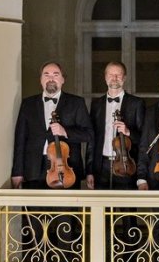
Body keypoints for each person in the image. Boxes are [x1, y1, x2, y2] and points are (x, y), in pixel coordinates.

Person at [11, 61, 93, 189]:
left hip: (66, 169)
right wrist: (17, 172)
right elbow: (20, 140)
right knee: (35, 203)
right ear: (41, 80)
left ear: (63, 79)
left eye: (55, 75)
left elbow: (89, 135)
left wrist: (65, 132)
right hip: (33, 170)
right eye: (46, 75)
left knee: (66, 203)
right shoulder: (28, 104)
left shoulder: (76, 103)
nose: (51, 79)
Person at [86, 61, 146, 190]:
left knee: (126, 203)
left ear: (124, 78)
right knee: (101, 203)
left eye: (118, 75)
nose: (114, 78)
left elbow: (144, 139)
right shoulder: (96, 104)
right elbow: (92, 139)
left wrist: (128, 132)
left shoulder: (136, 103)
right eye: (111, 75)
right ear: (105, 77)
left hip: (127, 165)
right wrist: (89, 171)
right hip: (101, 166)